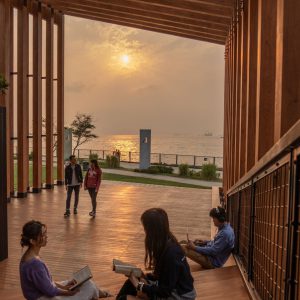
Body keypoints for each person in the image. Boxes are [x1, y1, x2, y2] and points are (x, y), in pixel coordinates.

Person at [117, 208, 196, 300]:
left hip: (179, 296)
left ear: (152, 230)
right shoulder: (167, 244)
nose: (145, 232)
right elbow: (164, 278)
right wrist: (143, 276)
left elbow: (164, 291)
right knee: (131, 283)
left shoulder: (172, 254)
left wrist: (138, 285)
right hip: (174, 291)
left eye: (145, 228)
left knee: (124, 298)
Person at [19, 220, 110, 300]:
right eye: (43, 235)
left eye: (45, 233)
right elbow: (49, 291)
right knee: (89, 287)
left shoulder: (29, 257)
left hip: (43, 292)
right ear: (32, 241)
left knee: (82, 282)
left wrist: (64, 287)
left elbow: (46, 283)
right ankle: (98, 294)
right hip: (43, 297)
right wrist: (69, 293)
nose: (46, 236)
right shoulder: (34, 264)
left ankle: (98, 293)